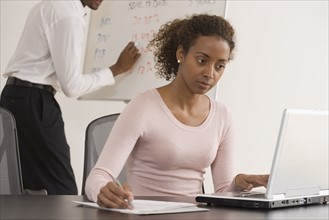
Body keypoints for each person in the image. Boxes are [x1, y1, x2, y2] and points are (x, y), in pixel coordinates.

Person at [85, 14, 268, 208]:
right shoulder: (143, 106)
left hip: (195, 214)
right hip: (145, 214)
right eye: (202, 61)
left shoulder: (222, 116)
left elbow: (223, 192)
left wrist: (239, 184)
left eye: (220, 66)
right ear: (181, 54)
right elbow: (98, 175)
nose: (210, 73)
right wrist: (103, 190)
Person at [0, 0, 140, 195]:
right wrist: (116, 69)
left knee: (27, 185)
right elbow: (72, 87)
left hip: (15, 97)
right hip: (34, 101)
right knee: (61, 189)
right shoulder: (67, 15)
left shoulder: (49, 5)